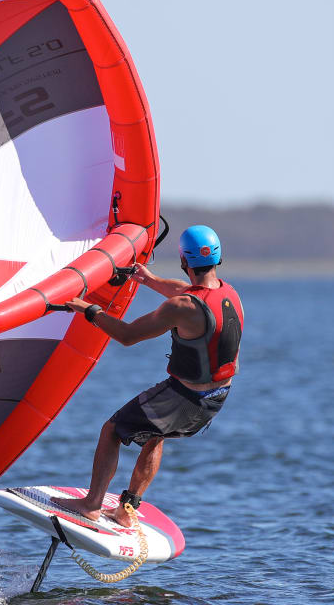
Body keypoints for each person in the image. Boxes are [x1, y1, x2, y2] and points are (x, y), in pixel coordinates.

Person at [55, 225, 244, 527]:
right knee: (156, 435)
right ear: (217, 258)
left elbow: (128, 335)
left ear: (184, 261)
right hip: (216, 398)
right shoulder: (229, 294)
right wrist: (150, 280)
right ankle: (126, 511)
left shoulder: (180, 308)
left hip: (185, 397)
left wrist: (89, 310)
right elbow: (188, 292)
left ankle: (91, 504)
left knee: (112, 430)